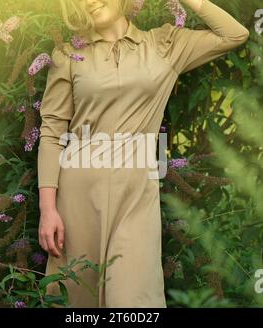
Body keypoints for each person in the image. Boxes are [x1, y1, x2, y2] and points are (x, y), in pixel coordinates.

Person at [37, 0, 249, 308]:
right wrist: (48, 209)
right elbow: (52, 132)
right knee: (77, 301)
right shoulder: (69, 55)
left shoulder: (164, 44)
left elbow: (234, 34)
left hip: (135, 199)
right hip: (78, 201)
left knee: (134, 302)